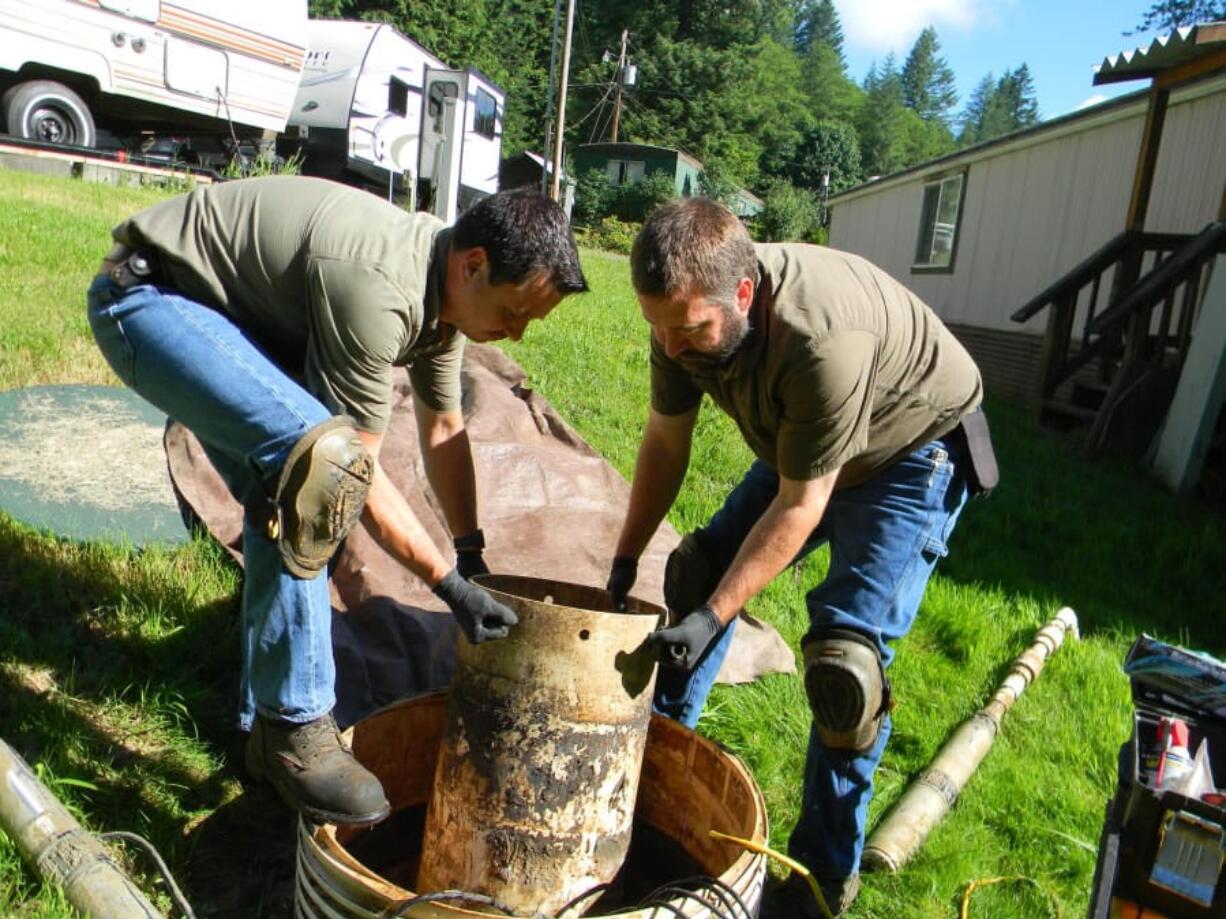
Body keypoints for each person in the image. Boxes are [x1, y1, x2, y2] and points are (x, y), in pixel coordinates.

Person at [87, 176, 588, 827]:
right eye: (517, 312)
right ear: (474, 265)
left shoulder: (442, 304)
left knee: (287, 496)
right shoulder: (380, 288)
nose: (517, 335)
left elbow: (444, 429)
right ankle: (298, 727)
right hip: (146, 303)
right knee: (318, 472)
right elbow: (354, 472)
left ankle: (258, 733)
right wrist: (447, 585)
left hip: (211, 318)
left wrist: (471, 556)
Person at [605, 198, 996, 917]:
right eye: (657, 327)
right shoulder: (680, 325)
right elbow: (665, 443)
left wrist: (719, 612)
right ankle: (656, 776)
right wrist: (626, 561)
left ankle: (820, 879)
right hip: (808, 439)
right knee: (696, 573)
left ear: (744, 293)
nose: (672, 345)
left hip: (912, 446)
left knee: (845, 670)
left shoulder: (818, 339)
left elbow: (799, 505)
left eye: (689, 330)